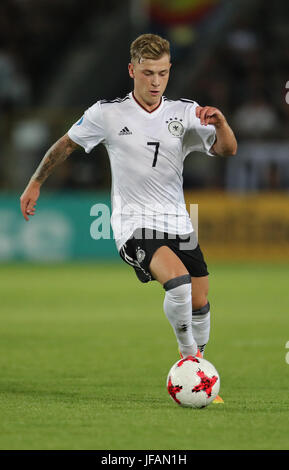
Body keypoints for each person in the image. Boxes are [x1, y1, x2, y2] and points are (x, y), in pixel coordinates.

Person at [20, 34, 237, 404]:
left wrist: (220, 123)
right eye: (149, 72)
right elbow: (66, 144)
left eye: (163, 73)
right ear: (132, 70)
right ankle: (191, 365)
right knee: (180, 284)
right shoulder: (107, 113)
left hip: (178, 222)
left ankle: (197, 364)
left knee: (199, 301)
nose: (156, 82)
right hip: (132, 223)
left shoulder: (184, 112)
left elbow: (227, 149)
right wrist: (35, 182)